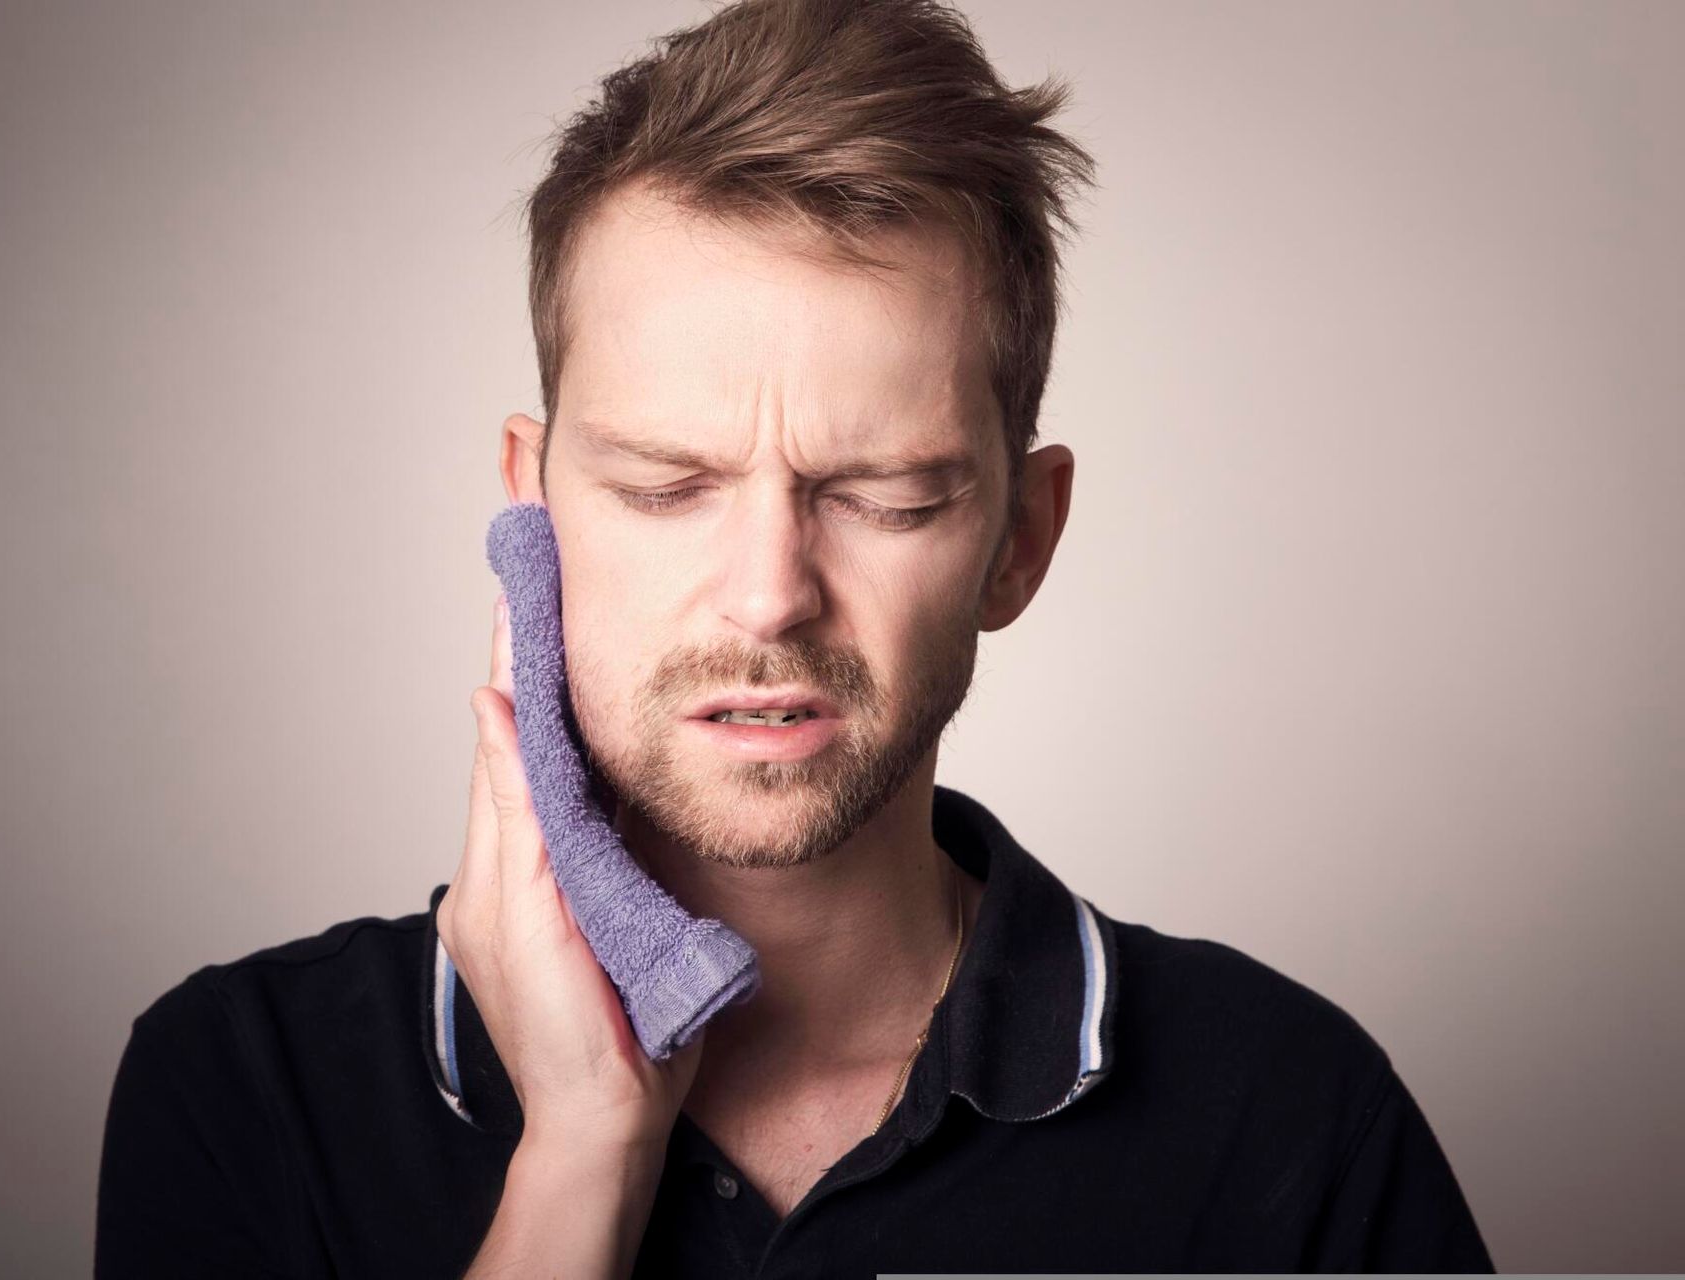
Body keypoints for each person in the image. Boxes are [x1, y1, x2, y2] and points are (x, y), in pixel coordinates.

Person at [94, 0, 1494, 1274]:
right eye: (664, 488)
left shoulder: (1288, 1112)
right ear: (531, 511)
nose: (769, 595)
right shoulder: (246, 1087)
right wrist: (582, 1153)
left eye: (883, 497)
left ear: (1021, 538)